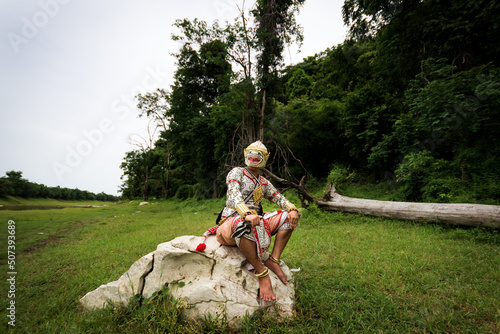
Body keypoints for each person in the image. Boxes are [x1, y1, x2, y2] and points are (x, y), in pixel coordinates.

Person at [196, 141, 300, 301]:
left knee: (288, 217)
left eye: (259, 153)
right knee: (243, 224)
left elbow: (278, 197)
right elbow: (234, 194)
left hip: (257, 221)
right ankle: (262, 273)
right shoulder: (236, 172)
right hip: (231, 223)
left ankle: (273, 260)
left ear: (265, 158)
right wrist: (246, 213)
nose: (254, 156)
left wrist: (292, 208)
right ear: (246, 153)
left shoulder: (263, 182)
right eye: (251, 152)